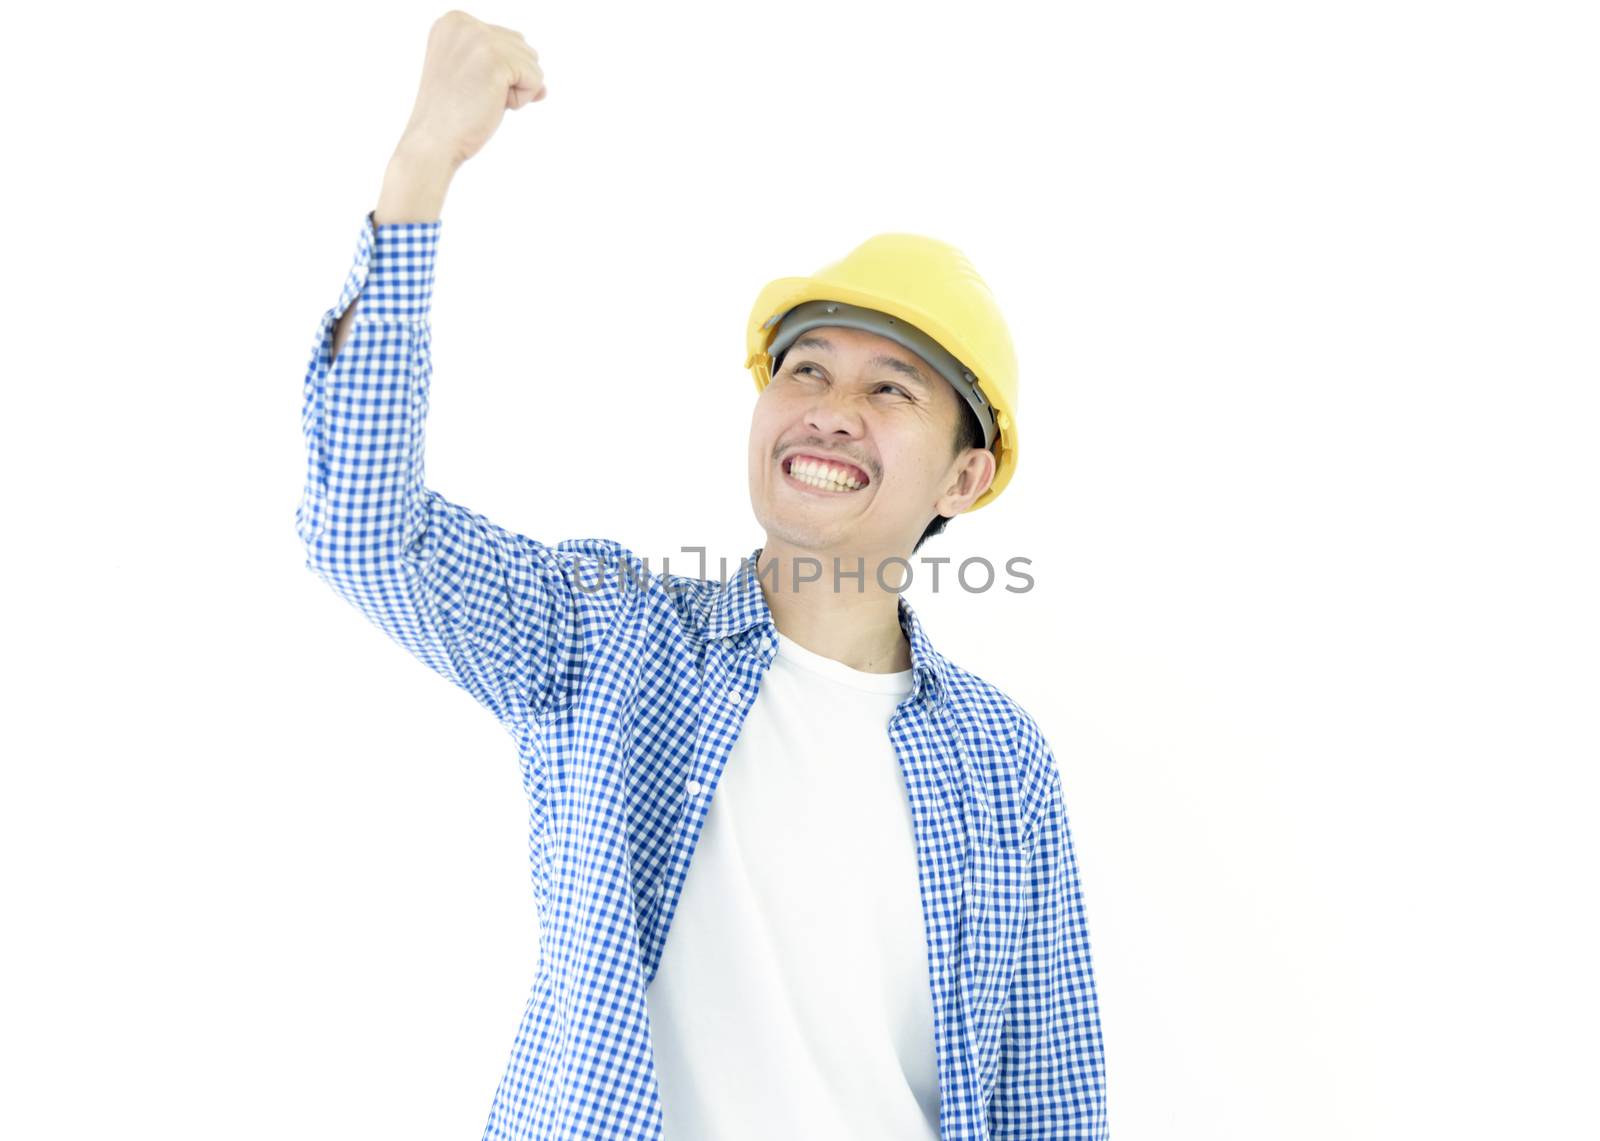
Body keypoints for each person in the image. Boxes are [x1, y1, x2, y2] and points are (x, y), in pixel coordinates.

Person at [296, 11, 1108, 1140]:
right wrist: (421, 163)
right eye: (806, 366)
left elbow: (1047, 1096)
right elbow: (362, 531)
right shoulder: (605, 638)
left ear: (965, 478)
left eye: (891, 390)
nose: (827, 407)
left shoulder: (1002, 762)